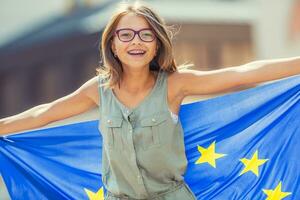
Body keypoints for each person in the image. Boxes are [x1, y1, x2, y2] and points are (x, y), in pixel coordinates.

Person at [0, 1, 300, 200]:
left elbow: (243, 73)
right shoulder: (98, 90)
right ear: (113, 45)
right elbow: (44, 113)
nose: (136, 42)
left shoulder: (175, 85)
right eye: (126, 34)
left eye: (146, 35)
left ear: (157, 45)